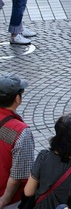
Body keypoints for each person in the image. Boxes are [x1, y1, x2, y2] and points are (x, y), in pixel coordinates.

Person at [0, 74, 34, 209]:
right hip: (10, 201)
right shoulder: (20, 131)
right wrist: (4, 200)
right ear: (17, 98)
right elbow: (18, 175)